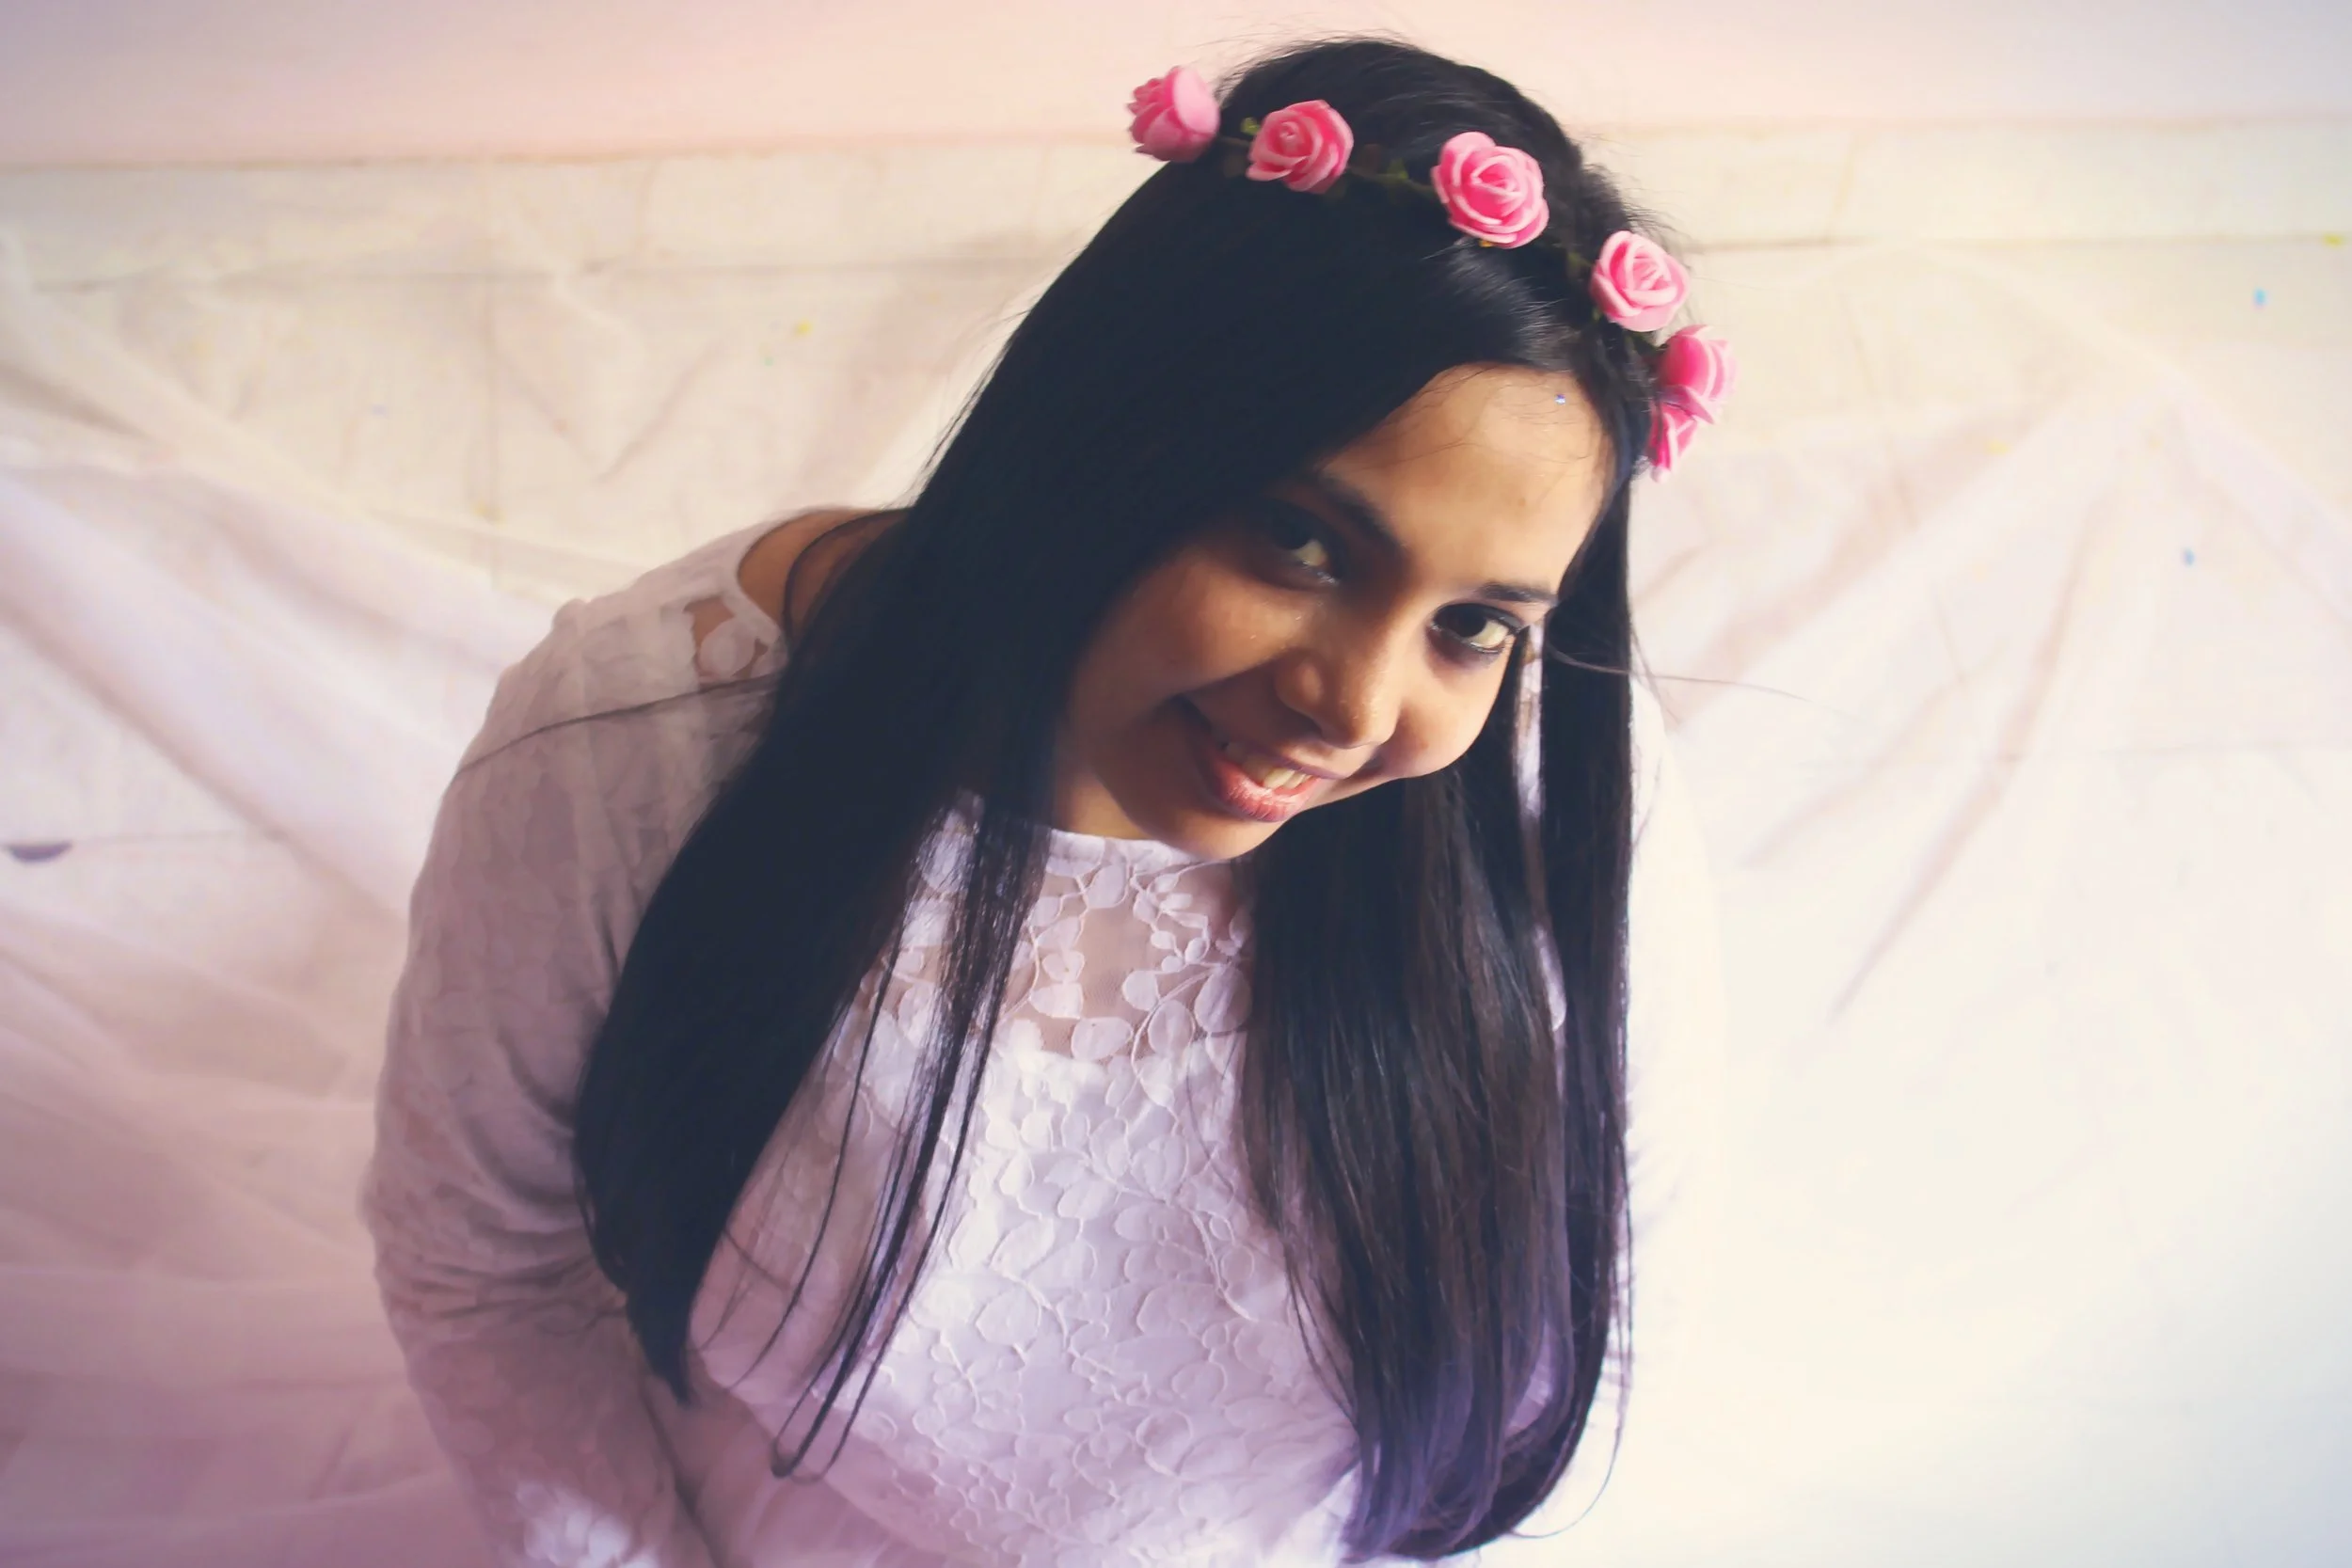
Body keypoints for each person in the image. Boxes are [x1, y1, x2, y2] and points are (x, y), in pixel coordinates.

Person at [362, 35, 1733, 1568]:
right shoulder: (641, 745)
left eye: (1474, 623)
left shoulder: (1543, 794)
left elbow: (1614, 1292)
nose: (1352, 707)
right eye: (1298, 541)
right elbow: (487, 1273)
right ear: (1111, 436)